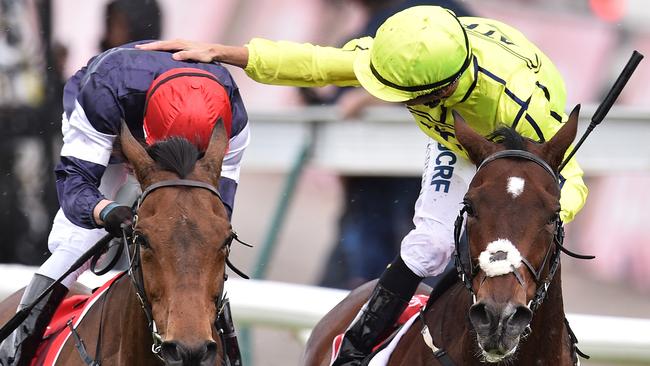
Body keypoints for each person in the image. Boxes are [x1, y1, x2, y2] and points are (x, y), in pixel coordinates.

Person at [138, 5, 588, 365]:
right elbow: (317, 65)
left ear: (447, 84)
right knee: (430, 244)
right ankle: (355, 352)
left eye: (418, 99)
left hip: (520, 145)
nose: (408, 106)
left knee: (519, 236)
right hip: (459, 136)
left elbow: (571, 180)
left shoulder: (525, 103)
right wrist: (223, 52)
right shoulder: (407, 52)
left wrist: (548, 216)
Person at [0, 41, 249, 365]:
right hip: (111, 131)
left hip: (180, 126)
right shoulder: (103, 94)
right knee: (76, 244)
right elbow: (74, 186)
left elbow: (219, 215)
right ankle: (15, 350)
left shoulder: (233, 113)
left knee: (203, 244)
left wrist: (196, 232)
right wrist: (106, 210)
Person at [308, 0, 474, 291]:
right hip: (377, 179)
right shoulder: (436, 16)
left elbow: (458, 80)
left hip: (430, 169)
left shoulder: (438, 17)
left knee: (423, 252)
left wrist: (371, 98)